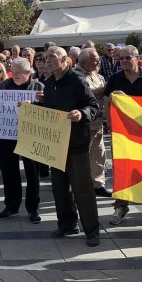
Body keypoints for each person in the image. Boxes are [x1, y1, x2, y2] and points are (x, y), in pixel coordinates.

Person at [37, 47, 101, 246]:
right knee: (59, 188)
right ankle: (67, 224)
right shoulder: (48, 83)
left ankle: (92, 230)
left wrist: (81, 113)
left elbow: (93, 106)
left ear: (65, 60)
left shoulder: (76, 80)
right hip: (55, 143)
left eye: (51, 57)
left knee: (83, 189)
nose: (47, 61)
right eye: (46, 57)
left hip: (76, 144)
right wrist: (31, 108)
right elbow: (49, 111)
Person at [104, 44, 142, 229]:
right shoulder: (115, 79)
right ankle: (120, 208)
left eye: (127, 58)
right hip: (122, 135)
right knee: (122, 171)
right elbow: (107, 103)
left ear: (137, 58)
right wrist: (111, 126)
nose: (123, 61)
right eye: (121, 58)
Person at [0, 58, 45, 223]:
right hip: (8, 136)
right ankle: (11, 206)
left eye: (18, 73)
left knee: (32, 173)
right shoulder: (4, 85)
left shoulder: (38, 87)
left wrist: (33, 104)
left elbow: (49, 110)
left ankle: (33, 209)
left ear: (28, 73)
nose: (13, 75)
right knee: (9, 172)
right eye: (12, 72)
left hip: (31, 136)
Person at [73, 48, 110, 197]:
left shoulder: (97, 75)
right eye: (94, 60)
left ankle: (98, 185)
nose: (98, 62)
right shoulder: (75, 75)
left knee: (99, 154)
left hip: (98, 122)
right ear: (83, 61)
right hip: (84, 124)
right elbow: (84, 95)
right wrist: (103, 89)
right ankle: (81, 187)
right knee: (83, 157)